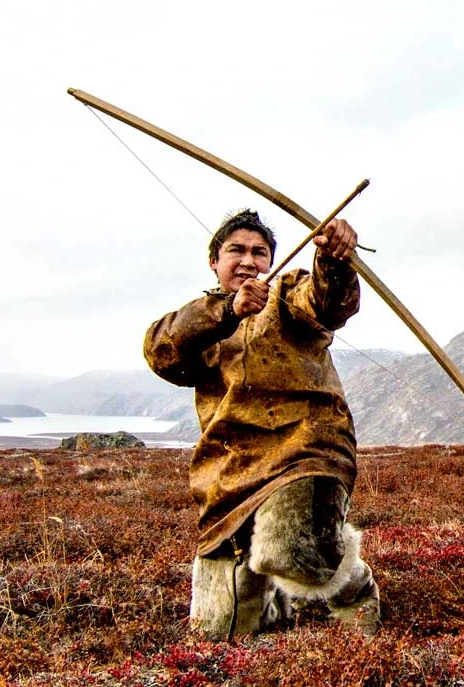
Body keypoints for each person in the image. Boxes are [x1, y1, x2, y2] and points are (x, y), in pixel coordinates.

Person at [142, 208, 380, 640]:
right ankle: (273, 614)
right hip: (227, 475)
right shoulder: (201, 318)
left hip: (306, 449)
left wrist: (333, 261)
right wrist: (228, 312)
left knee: (295, 549)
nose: (249, 261)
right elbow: (161, 351)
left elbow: (328, 304)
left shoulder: (289, 293)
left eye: (260, 252)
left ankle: (354, 588)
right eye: (236, 250)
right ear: (213, 261)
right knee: (218, 632)